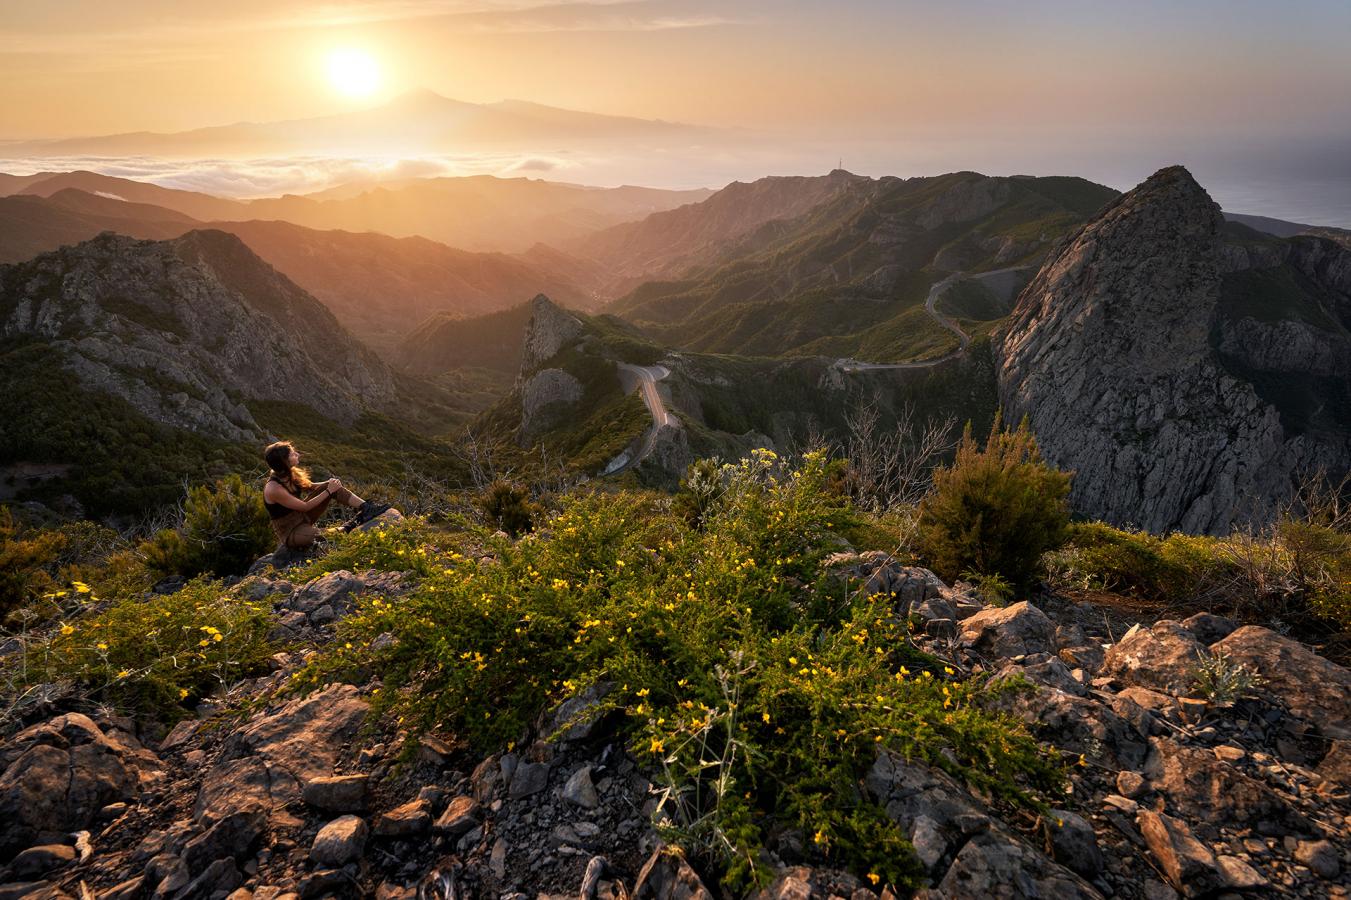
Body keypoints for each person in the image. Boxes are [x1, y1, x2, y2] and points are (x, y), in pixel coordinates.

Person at [262, 440, 383, 549]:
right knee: (330, 536)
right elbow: (305, 506)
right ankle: (349, 526)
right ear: (284, 461)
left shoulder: (289, 473)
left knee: (330, 487)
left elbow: (310, 486)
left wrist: (329, 484)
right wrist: (328, 491)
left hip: (303, 517)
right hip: (291, 531)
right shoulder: (274, 488)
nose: (297, 454)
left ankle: (366, 508)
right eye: (293, 454)